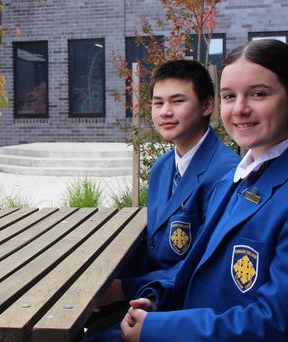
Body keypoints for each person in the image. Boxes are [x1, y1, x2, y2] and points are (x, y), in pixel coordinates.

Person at [121, 39, 288, 341]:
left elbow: (277, 322)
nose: (240, 109)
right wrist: (157, 297)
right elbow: (198, 264)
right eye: (229, 96)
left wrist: (159, 329)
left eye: (258, 94)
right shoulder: (238, 177)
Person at [85, 60, 239, 335]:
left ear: (207, 106)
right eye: (158, 103)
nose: (165, 112)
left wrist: (123, 288)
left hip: (185, 310)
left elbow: (203, 266)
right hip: (149, 294)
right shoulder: (162, 167)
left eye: (177, 101)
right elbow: (154, 244)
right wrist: (105, 280)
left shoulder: (225, 174)